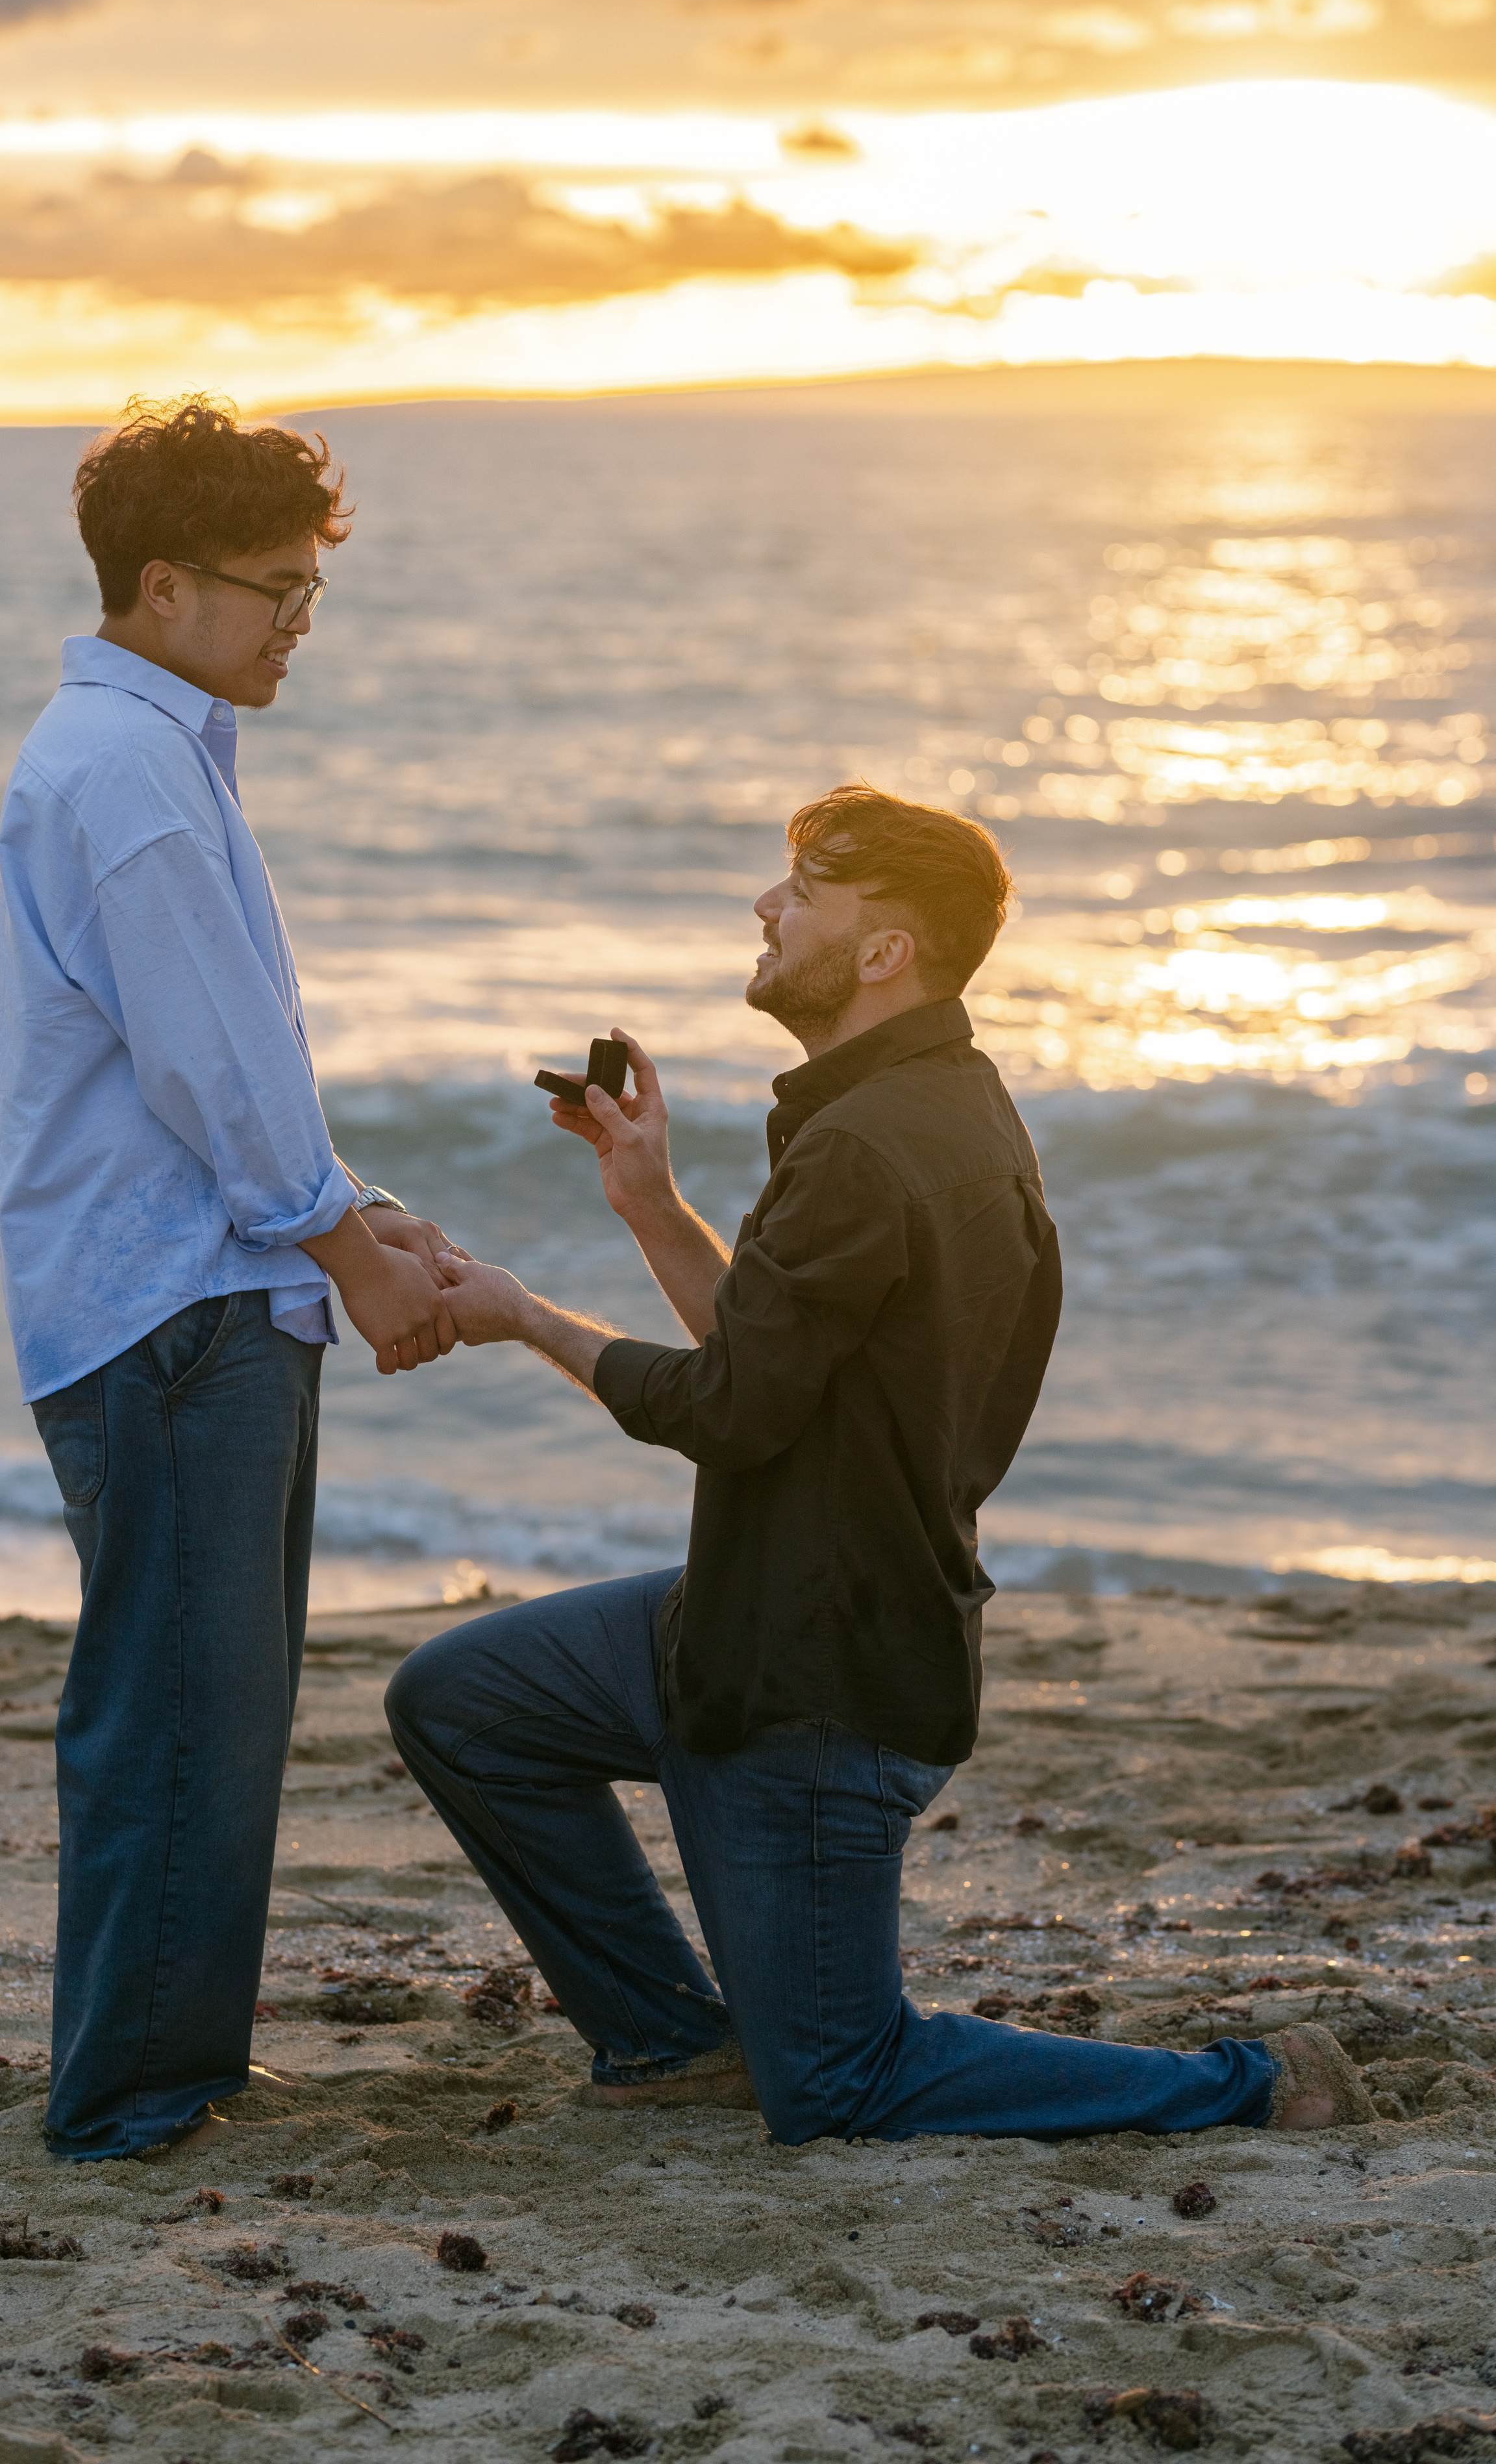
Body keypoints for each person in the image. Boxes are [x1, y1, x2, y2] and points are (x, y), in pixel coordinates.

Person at [388, 783, 1373, 2142]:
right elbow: (775, 1358)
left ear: (883, 951)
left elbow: (732, 1408)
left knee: (839, 2084)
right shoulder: (929, 1104)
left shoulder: (867, 1145)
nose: (765, 907)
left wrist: (526, 1320)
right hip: (745, 1618)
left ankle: (1253, 2083)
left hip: (824, 1678)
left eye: (803, 892)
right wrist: (649, 1202)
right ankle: (670, 2044)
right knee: (460, 1702)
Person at [0, 395, 460, 2159]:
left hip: (185, 1293)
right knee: (180, 1716)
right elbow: (209, 1069)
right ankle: (136, 2096)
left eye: (312, 590)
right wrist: (348, 1248)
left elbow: (215, 1058)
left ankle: (168, 2067)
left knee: (208, 1709)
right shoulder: (126, 774)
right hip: (173, 1314)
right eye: (279, 590)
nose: (300, 623)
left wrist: (364, 1211)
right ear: (165, 584)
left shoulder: (146, 753)